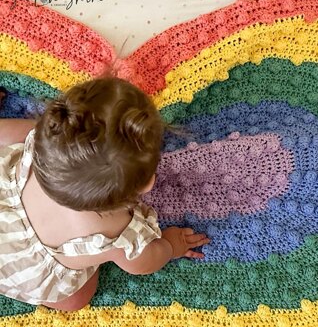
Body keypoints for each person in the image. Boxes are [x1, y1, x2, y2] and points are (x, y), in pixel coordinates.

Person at [0, 76, 210, 311]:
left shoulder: (39, 141)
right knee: (74, 300)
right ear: (146, 183)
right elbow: (143, 263)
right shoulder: (117, 234)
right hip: (28, 272)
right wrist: (170, 246)